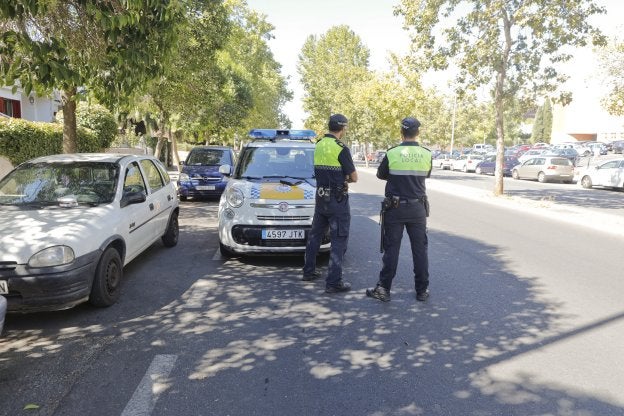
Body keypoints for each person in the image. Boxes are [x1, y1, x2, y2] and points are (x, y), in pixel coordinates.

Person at [366, 117, 432, 302]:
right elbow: (426, 174)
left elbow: (381, 175)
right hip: (418, 209)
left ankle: (384, 289)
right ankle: (422, 290)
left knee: (392, 250)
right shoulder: (426, 154)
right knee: (420, 250)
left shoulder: (393, 153)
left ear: (401, 133)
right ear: (417, 133)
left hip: (395, 209)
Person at [302, 113, 358, 293]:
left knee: (315, 236)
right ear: (342, 128)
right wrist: (343, 181)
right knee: (338, 239)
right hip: (337, 200)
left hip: (320, 199)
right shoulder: (341, 148)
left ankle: (308, 271)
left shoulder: (318, 145)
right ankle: (333, 282)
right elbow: (354, 177)